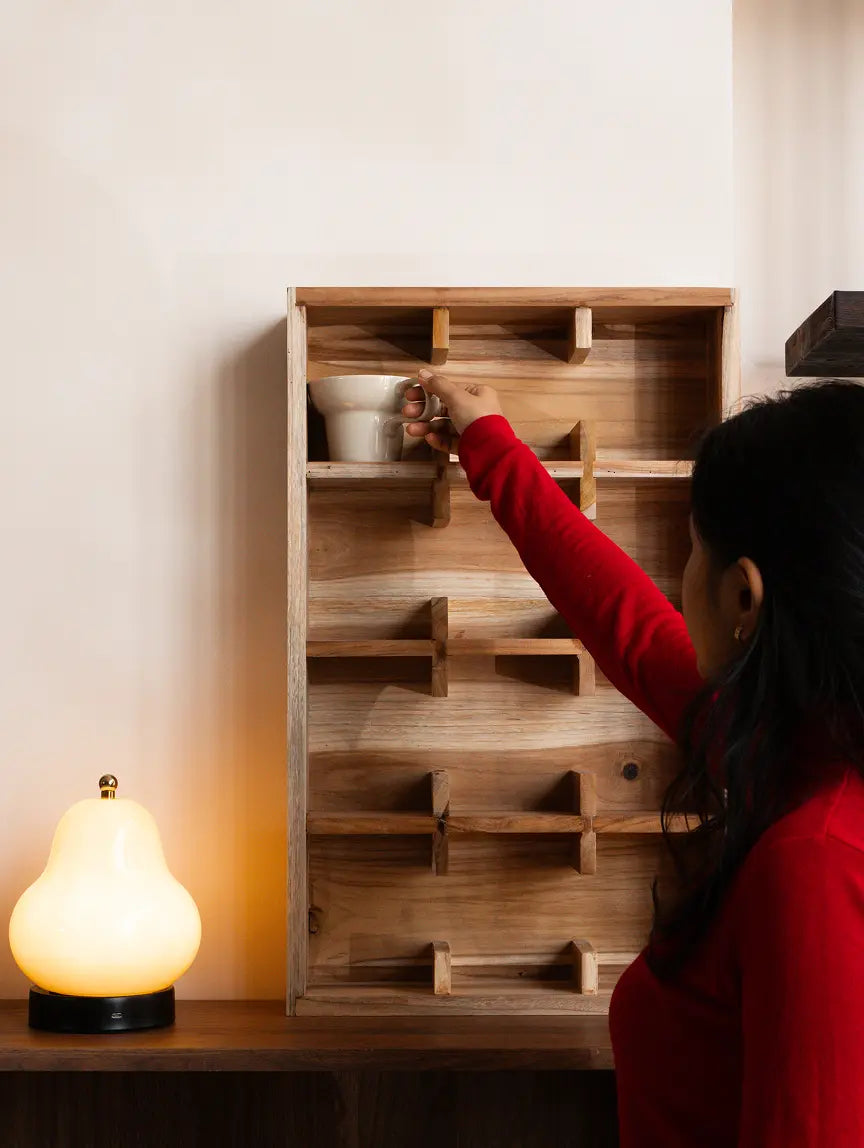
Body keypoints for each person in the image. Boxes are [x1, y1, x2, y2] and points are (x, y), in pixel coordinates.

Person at [404, 370, 864, 1148]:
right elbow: (635, 633)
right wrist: (491, 448)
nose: (678, 583)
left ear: (744, 599)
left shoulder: (815, 862)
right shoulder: (800, 749)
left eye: (689, 551)